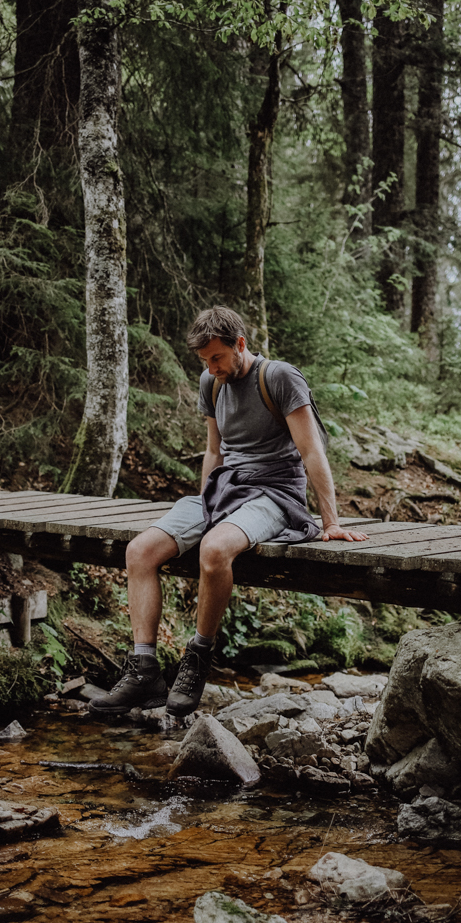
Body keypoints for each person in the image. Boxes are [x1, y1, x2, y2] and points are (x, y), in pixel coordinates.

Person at [90, 305, 368, 719]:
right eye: (205, 361)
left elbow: (312, 451)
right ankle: (144, 671)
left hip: (275, 494)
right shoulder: (211, 382)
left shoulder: (279, 377)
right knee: (139, 551)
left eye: (217, 357)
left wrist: (331, 522)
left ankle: (198, 658)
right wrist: (204, 504)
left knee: (215, 550)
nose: (211, 368)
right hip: (224, 491)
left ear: (240, 344)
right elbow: (214, 451)